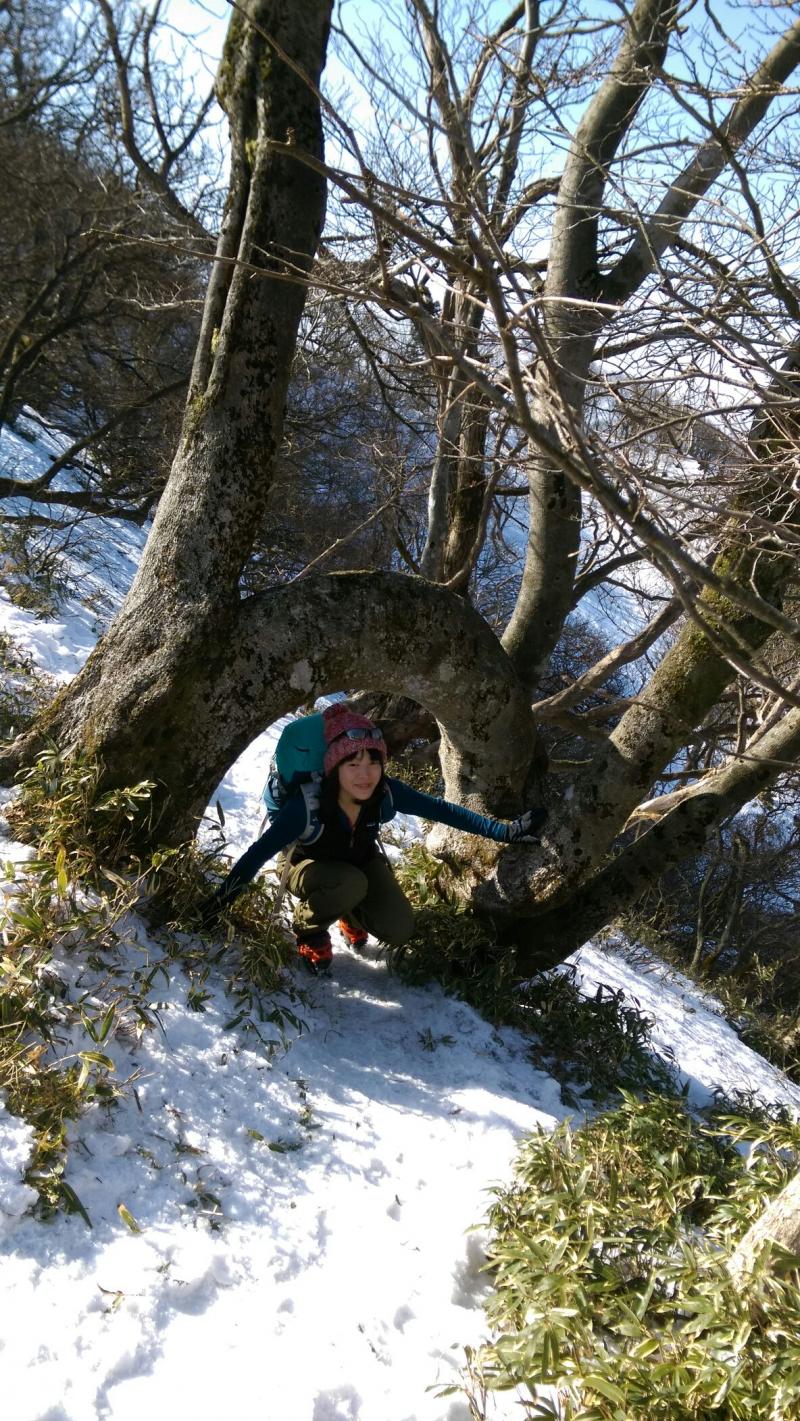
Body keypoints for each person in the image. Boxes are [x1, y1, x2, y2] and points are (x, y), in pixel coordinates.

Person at [205, 703, 547, 971]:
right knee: (350, 884)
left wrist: (504, 832)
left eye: (373, 763)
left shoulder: (385, 793)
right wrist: (215, 906)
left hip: (357, 865)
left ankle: (347, 912)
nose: (365, 775)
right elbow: (256, 855)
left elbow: (444, 811)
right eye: (352, 765)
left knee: (399, 928)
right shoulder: (305, 806)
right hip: (303, 867)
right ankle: (310, 929)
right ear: (334, 768)